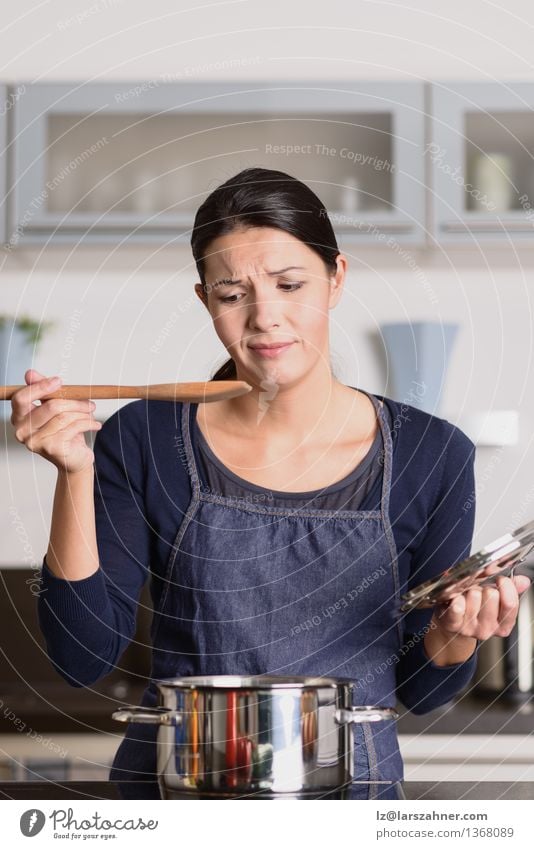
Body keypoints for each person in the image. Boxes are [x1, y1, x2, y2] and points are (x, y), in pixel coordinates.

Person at [10, 167, 531, 799]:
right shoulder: (145, 439)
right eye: (233, 294)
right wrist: (75, 470)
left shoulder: (432, 452)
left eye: (291, 285)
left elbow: (423, 690)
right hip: (175, 800)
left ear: (337, 277)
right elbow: (81, 658)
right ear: (205, 300)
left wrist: (455, 635)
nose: (265, 319)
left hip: (350, 806)